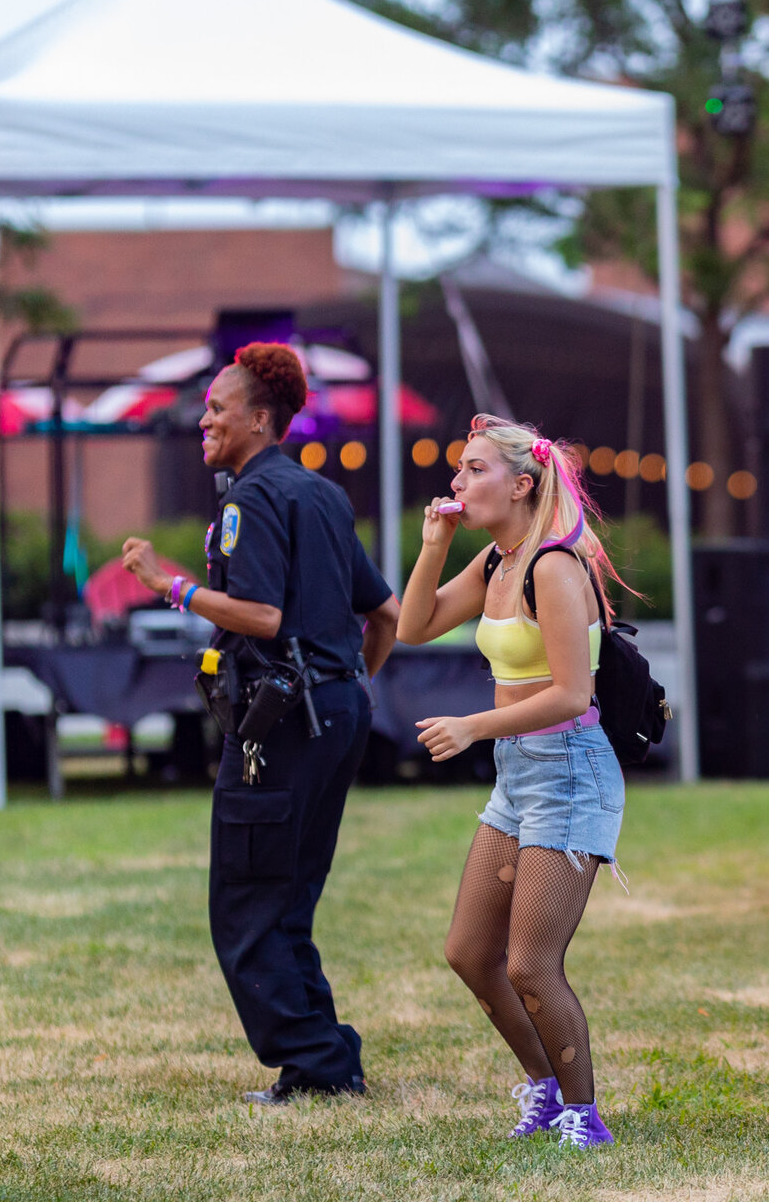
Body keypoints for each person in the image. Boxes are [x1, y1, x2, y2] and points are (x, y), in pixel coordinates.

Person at [122, 343, 399, 1106]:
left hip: (283, 721)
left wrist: (169, 585)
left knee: (248, 898)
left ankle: (316, 1064)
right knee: (289, 895)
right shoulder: (323, 494)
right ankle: (326, 1057)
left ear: (259, 419)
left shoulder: (249, 500)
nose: (204, 419)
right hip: (336, 712)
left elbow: (263, 616)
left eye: (217, 407)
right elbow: (386, 614)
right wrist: (347, 686)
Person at [397, 417, 628, 1148]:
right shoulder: (496, 562)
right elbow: (412, 627)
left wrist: (472, 726)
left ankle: (583, 1116)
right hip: (517, 774)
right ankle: (545, 1088)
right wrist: (434, 546)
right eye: (458, 470)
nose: (458, 482)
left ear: (522, 484)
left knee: (530, 964)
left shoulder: (552, 566)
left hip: (569, 771)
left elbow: (572, 694)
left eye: (475, 470)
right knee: (470, 953)